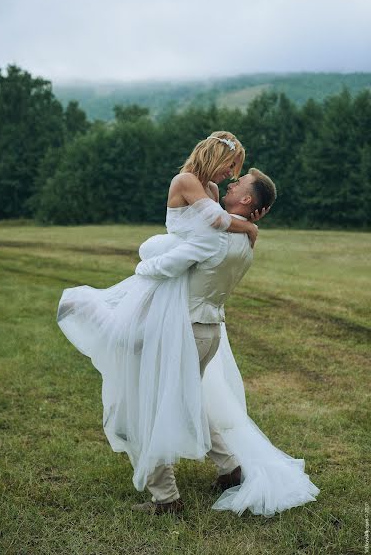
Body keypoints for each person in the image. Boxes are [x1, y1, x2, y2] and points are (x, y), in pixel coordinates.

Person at [57, 132, 320, 517]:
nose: (233, 177)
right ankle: (230, 467)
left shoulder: (216, 231)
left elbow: (179, 252)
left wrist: (143, 264)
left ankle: (165, 498)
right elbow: (209, 222)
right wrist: (247, 227)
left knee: (149, 404)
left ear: (246, 201)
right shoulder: (240, 242)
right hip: (208, 330)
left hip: (181, 329)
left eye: (238, 178)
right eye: (233, 167)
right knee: (192, 399)